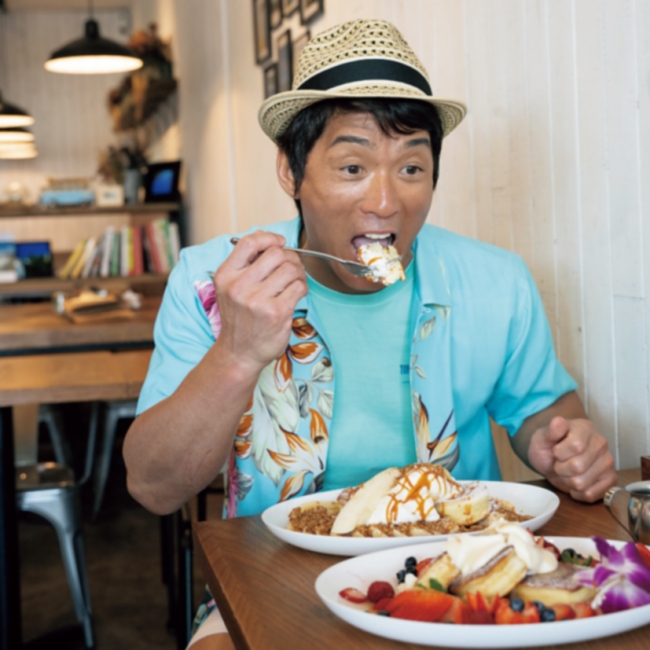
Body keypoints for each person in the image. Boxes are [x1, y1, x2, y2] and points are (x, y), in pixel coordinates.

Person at [123, 19, 617, 648]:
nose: (385, 202)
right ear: (290, 171)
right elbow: (154, 487)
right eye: (353, 166)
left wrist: (564, 447)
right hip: (274, 573)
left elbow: (546, 412)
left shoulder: (495, 280)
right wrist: (238, 353)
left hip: (461, 567)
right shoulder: (214, 281)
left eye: (411, 167)